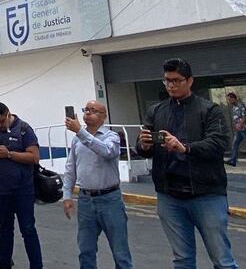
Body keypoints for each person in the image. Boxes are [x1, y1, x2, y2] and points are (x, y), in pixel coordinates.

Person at [136, 58, 236, 269]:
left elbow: (219, 143)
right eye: (167, 81)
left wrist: (185, 148)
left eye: (176, 80)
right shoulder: (156, 111)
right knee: (182, 260)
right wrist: (143, 144)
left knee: (222, 260)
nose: (171, 85)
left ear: (190, 81)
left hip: (206, 194)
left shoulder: (210, 110)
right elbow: (144, 148)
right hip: (169, 195)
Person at [62, 100, 132, 269]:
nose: (87, 113)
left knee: (120, 252)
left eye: (93, 110)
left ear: (103, 116)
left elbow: (107, 151)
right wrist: (67, 195)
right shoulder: (77, 140)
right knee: (85, 250)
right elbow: (71, 168)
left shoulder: (111, 137)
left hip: (110, 199)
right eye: (86, 110)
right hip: (86, 199)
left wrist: (80, 132)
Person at [0, 102, 42, 269]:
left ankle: (36, 266)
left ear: (8, 114)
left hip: (22, 190)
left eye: (1, 121)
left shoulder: (24, 129)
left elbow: (34, 157)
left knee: (28, 229)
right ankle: (4, 263)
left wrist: (8, 154)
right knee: (5, 230)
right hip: (1, 190)